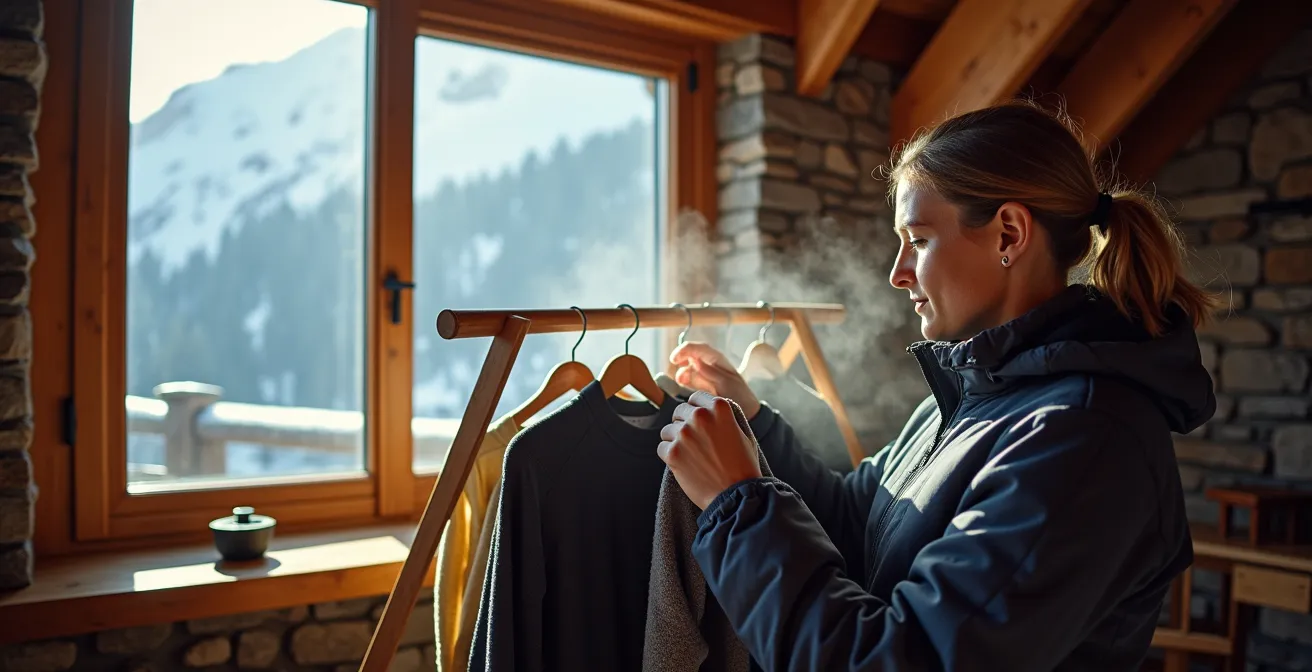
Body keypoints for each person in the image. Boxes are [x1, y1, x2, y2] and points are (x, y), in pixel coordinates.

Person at [656, 102, 1216, 671]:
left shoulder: (1086, 440)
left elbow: (900, 660)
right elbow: (855, 522)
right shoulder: (971, 397)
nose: (898, 272)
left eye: (919, 240)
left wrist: (737, 506)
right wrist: (754, 421)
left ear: (1009, 234)